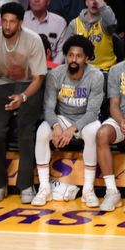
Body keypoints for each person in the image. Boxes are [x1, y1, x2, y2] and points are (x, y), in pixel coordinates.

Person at [0, 2, 46, 204]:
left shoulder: (33, 40)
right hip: (3, 85)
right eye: (4, 21)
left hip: (30, 86)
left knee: (25, 128)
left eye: (12, 22)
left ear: (20, 23)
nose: (7, 26)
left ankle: (25, 184)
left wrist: (23, 97)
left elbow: (39, 78)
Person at [33, 35, 104, 206]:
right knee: (42, 132)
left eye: (79, 56)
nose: (74, 59)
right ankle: (44, 189)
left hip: (85, 119)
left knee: (93, 133)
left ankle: (88, 190)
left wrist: (72, 129)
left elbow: (93, 112)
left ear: (86, 58)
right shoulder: (55, 75)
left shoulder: (96, 76)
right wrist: (56, 126)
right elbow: (48, 108)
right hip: (62, 118)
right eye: (70, 55)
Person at [94, 58, 125, 212]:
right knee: (102, 134)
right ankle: (112, 192)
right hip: (121, 119)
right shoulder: (116, 70)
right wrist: (122, 122)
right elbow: (114, 105)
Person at [60, 0, 118, 72]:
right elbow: (66, 51)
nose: (94, 2)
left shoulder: (105, 22)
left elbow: (112, 23)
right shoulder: (74, 24)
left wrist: (103, 7)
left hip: (105, 70)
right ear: (86, 2)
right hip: (81, 72)